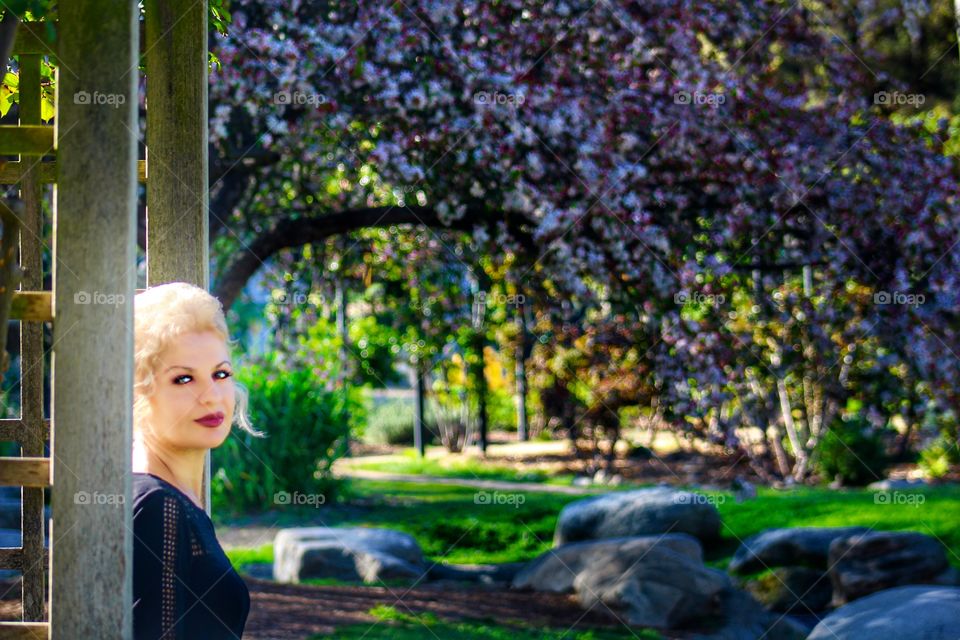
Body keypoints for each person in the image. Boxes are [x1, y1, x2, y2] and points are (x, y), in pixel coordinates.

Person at [131, 282, 261, 639]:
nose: (211, 396)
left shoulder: (174, 499)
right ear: (138, 390)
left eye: (220, 374)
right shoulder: (158, 506)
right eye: (183, 378)